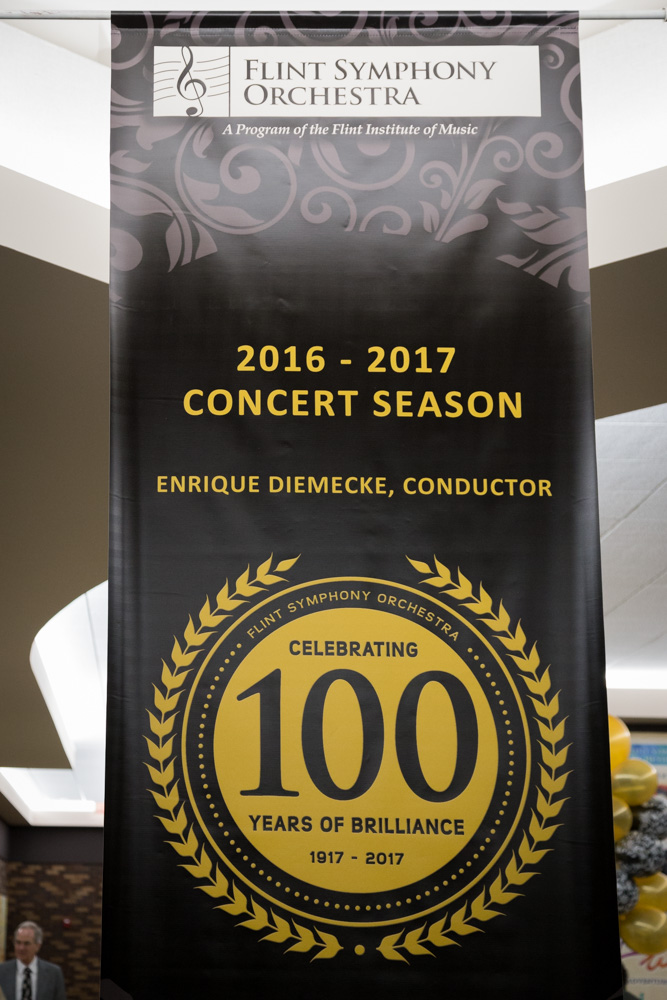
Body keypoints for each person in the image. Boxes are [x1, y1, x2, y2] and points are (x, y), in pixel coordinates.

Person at [0, 922, 66, 1000]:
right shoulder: (2, 971)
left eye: (26, 943)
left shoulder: (53, 973)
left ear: (38, 946)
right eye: (18, 942)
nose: (21, 948)